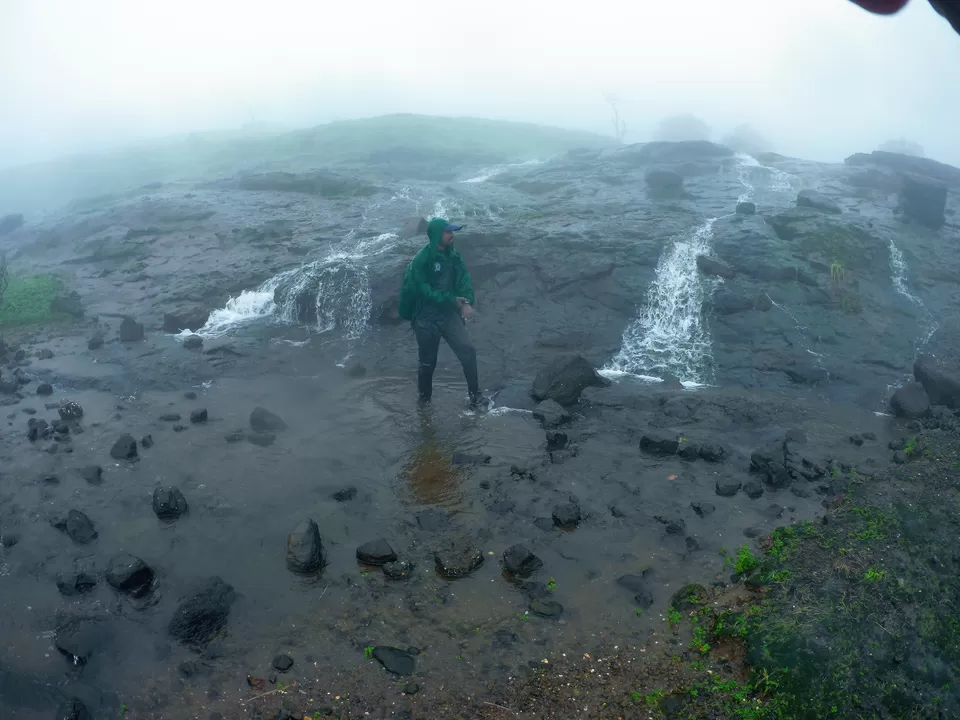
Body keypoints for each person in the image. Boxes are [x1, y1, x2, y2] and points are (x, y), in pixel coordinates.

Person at [406, 217, 482, 405]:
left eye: (452, 231)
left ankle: (476, 396)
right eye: (448, 232)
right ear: (437, 235)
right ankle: (424, 400)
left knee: (468, 351)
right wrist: (452, 300)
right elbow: (423, 291)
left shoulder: (454, 256)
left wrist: (466, 301)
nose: (452, 235)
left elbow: (464, 279)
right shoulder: (421, 260)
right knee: (428, 362)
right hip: (426, 319)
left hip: (448, 315)